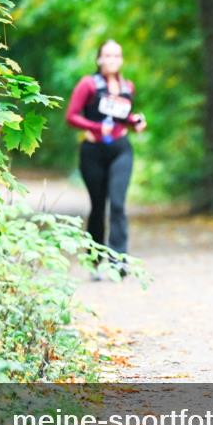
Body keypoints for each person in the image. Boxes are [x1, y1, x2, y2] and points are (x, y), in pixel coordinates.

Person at [65, 39, 147, 277]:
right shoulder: (88, 84)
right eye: (108, 56)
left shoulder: (127, 86)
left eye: (117, 56)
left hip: (120, 149)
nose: (112, 60)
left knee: (119, 204)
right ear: (99, 59)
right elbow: (71, 116)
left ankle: (119, 260)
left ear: (121, 60)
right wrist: (95, 127)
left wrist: (136, 122)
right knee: (99, 207)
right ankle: (94, 261)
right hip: (93, 151)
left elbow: (124, 117)